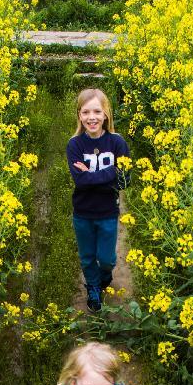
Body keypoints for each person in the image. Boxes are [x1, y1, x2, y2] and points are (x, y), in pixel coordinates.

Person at [66, 88, 130, 312]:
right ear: (79, 115)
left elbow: (124, 181)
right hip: (82, 212)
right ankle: (93, 287)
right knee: (87, 257)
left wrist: (91, 175)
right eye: (85, 112)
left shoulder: (117, 143)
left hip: (108, 213)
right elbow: (80, 181)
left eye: (96, 111)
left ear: (106, 115)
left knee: (107, 259)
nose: (91, 117)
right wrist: (110, 171)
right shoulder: (74, 145)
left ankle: (103, 275)